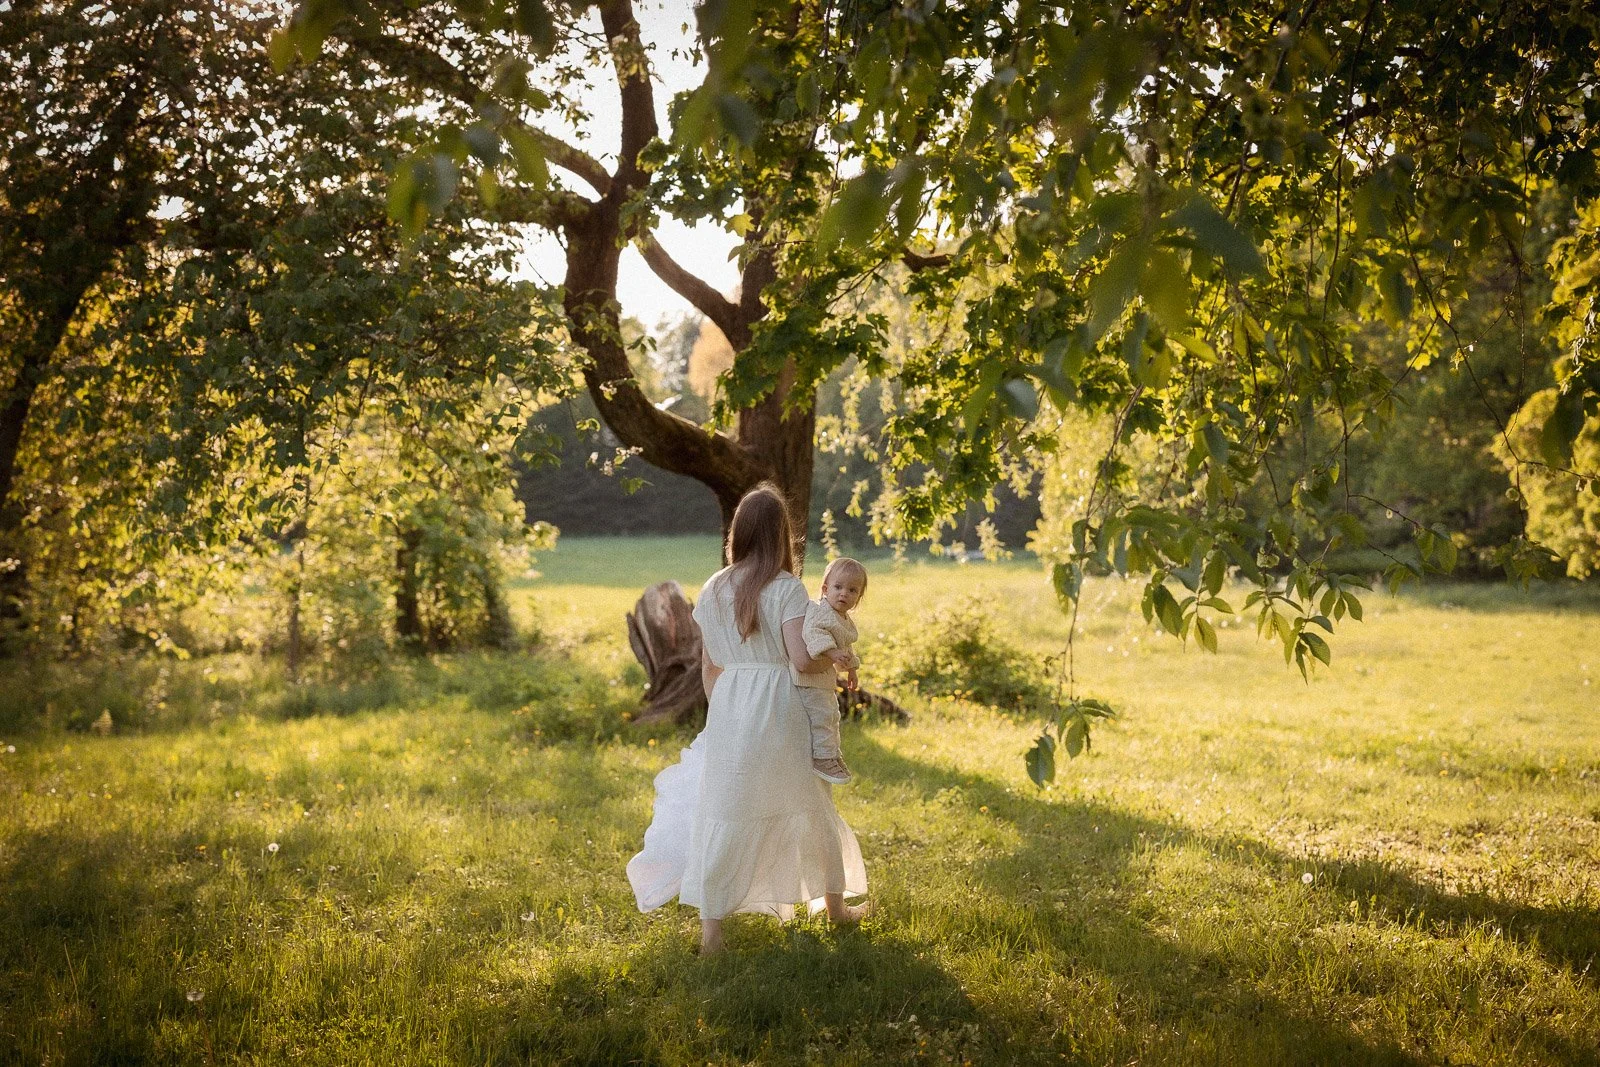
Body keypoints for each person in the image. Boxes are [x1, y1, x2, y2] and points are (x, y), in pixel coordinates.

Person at [626, 484, 869, 955]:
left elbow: (710, 666)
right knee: (809, 803)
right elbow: (800, 659)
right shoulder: (786, 589)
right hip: (781, 705)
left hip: (732, 704)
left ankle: (711, 935)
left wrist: (727, 715)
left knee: (727, 809)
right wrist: (838, 662)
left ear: (738, 534)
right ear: (781, 536)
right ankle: (835, 911)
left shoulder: (714, 588)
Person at [794, 557, 868, 785]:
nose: (844, 594)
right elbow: (813, 634)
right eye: (838, 587)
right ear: (825, 589)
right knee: (822, 717)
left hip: (824, 679)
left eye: (852, 590)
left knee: (832, 714)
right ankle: (822, 757)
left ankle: (833, 753)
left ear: (858, 598)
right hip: (810, 678)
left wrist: (852, 669)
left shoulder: (841, 619)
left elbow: (846, 646)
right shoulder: (819, 611)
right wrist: (832, 653)